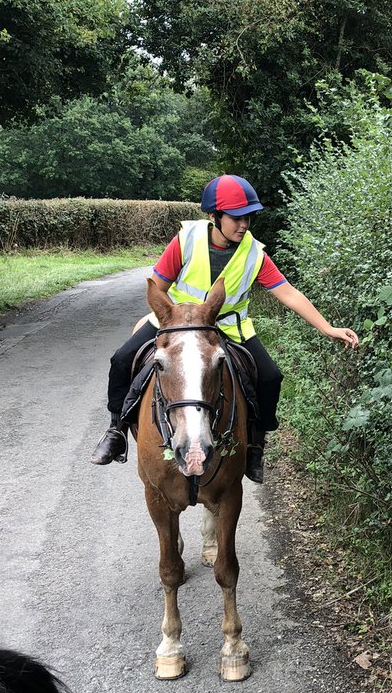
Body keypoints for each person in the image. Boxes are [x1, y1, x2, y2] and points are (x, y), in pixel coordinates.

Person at [90, 174, 359, 482]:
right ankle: (116, 431)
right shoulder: (186, 241)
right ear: (214, 215)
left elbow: (287, 292)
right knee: (122, 360)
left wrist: (327, 328)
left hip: (228, 325)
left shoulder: (254, 253)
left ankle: (255, 446)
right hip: (177, 322)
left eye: (248, 218)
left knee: (271, 377)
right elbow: (159, 287)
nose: (243, 225)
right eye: (236, 218)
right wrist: (173, 318)